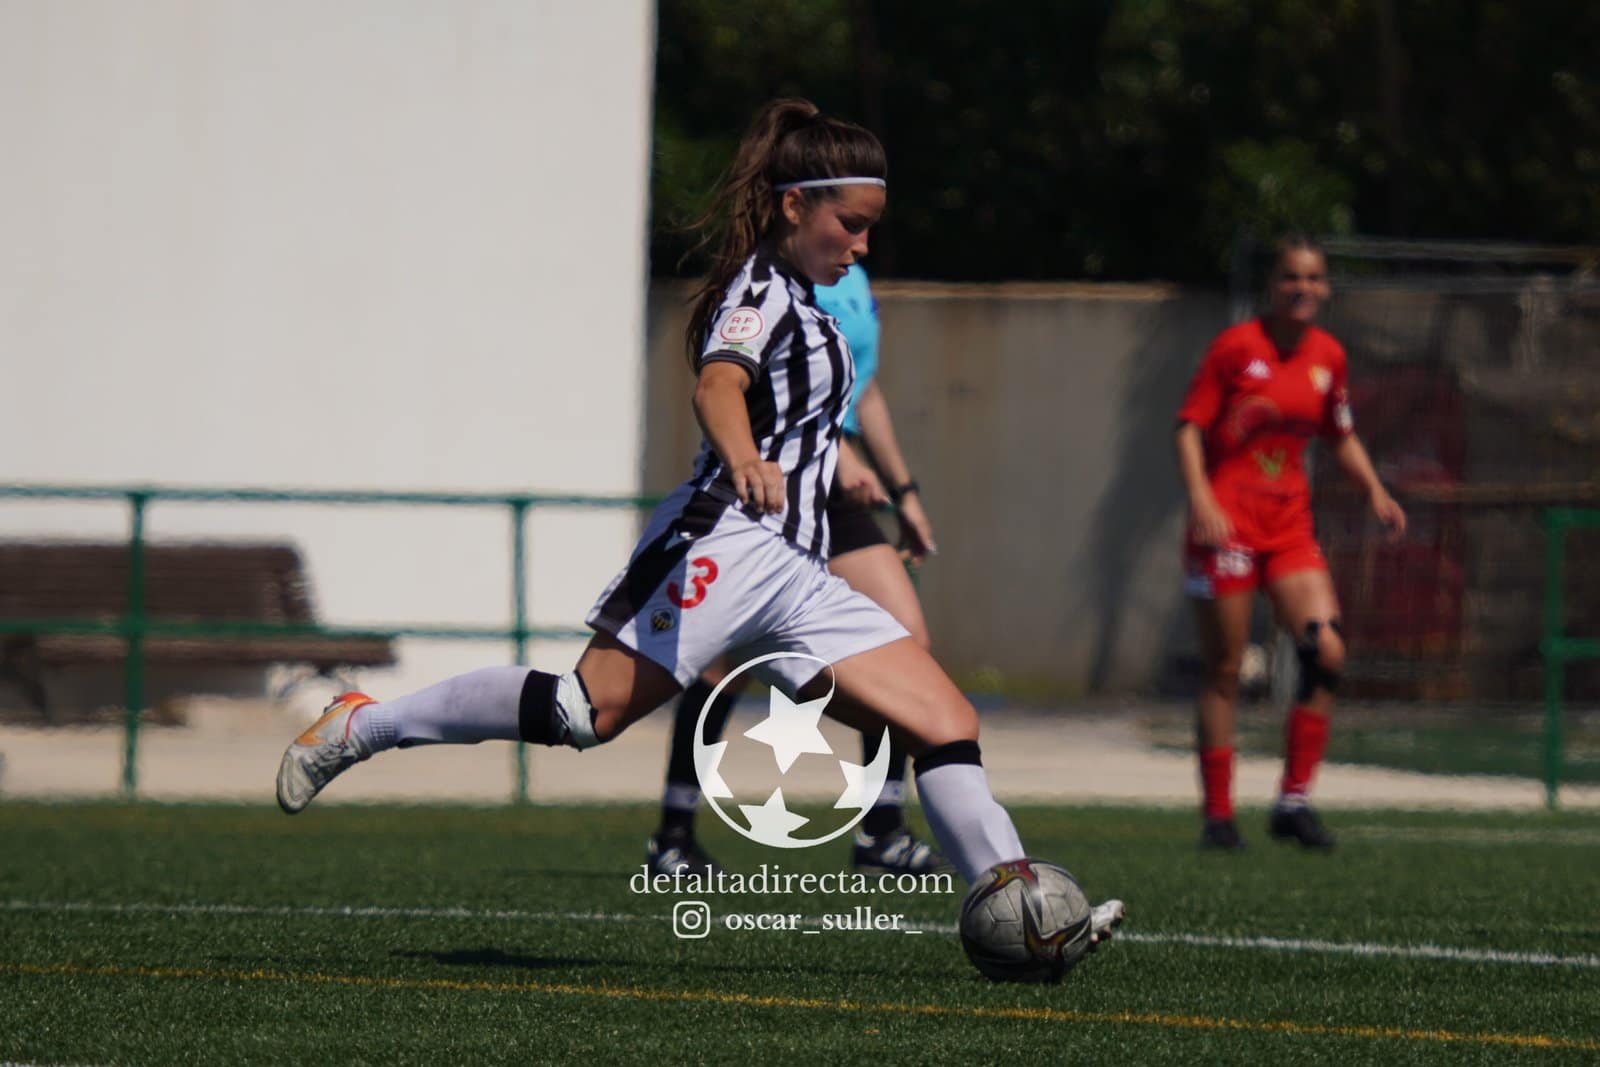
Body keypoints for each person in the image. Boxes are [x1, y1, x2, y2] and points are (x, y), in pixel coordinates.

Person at [275, 98, 1124, 945]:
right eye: (852, 225)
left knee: (945, 721)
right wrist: (746, 455)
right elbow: (718, 382)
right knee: (582, 714)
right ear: (795, 206)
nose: (863, 246)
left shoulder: (808, 295)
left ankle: (1022, 907)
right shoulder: (759, 290)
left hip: (796, 573)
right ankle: (363, 721)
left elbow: (805, 414)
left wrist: (840, 464)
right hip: (725, 540)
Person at [646, 262, 949, 880]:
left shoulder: (855, 278)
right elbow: (777, 392)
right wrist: (839, 456)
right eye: (850, 216)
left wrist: (906, 491)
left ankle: (881, 832)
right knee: (721, 663)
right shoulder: (782, 279)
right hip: (780, 484)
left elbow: (859, 389)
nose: (860, 237)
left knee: (905, 643)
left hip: (837, 493)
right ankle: (673, 837)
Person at [1176, 234, 1407, 851]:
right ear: (1272, 286)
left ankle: (1293, 801)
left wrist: (1376, 491)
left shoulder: (1328, 355)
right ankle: (1219, 818)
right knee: (1225, 668)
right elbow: (1189, 428)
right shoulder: (1236, 348)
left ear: (1325, 288)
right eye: (1290, 278)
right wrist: (1201, 500)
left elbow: (1340, 432)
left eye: (1312, 279)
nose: (1301, 288)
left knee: (1326, 650)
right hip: (1225, 525)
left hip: (1288, 528)